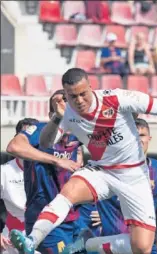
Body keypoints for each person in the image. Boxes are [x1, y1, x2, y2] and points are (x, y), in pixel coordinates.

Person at [10, 67, 157, 254]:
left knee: (142, 248)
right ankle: (32, 240)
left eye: (82, 94)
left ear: (90, 87)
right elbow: (45, 143)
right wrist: (56, 118)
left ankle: (90, 245)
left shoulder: (117, 98)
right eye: (72, 96)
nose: (78, 100)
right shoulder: (68, 114)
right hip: (101, 171)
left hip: (134, 176)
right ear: (67, 95)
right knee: (67, 194)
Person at [63, 118, 157, 254]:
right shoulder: (109, 166)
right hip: (114, 244)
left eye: (142, 135)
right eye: (133, 136)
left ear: (149, 138)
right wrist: (96, 209)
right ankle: (78, 246)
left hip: (144, 245)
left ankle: (84, 245)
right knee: (69, 250)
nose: (138, 140)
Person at [7, 90, 97, 254]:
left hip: (76, 217)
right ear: (51, 114)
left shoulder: (78, 134)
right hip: (45, 219)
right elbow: (14, 147)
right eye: (62, 108)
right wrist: (57, 160)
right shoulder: (39, 130)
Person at [1, 118, 39, 254]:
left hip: (46, 237)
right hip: (11, 241)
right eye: (23, 137)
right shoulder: (4, 171)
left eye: (33, 137)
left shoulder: (53, 168)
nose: (28, 142)